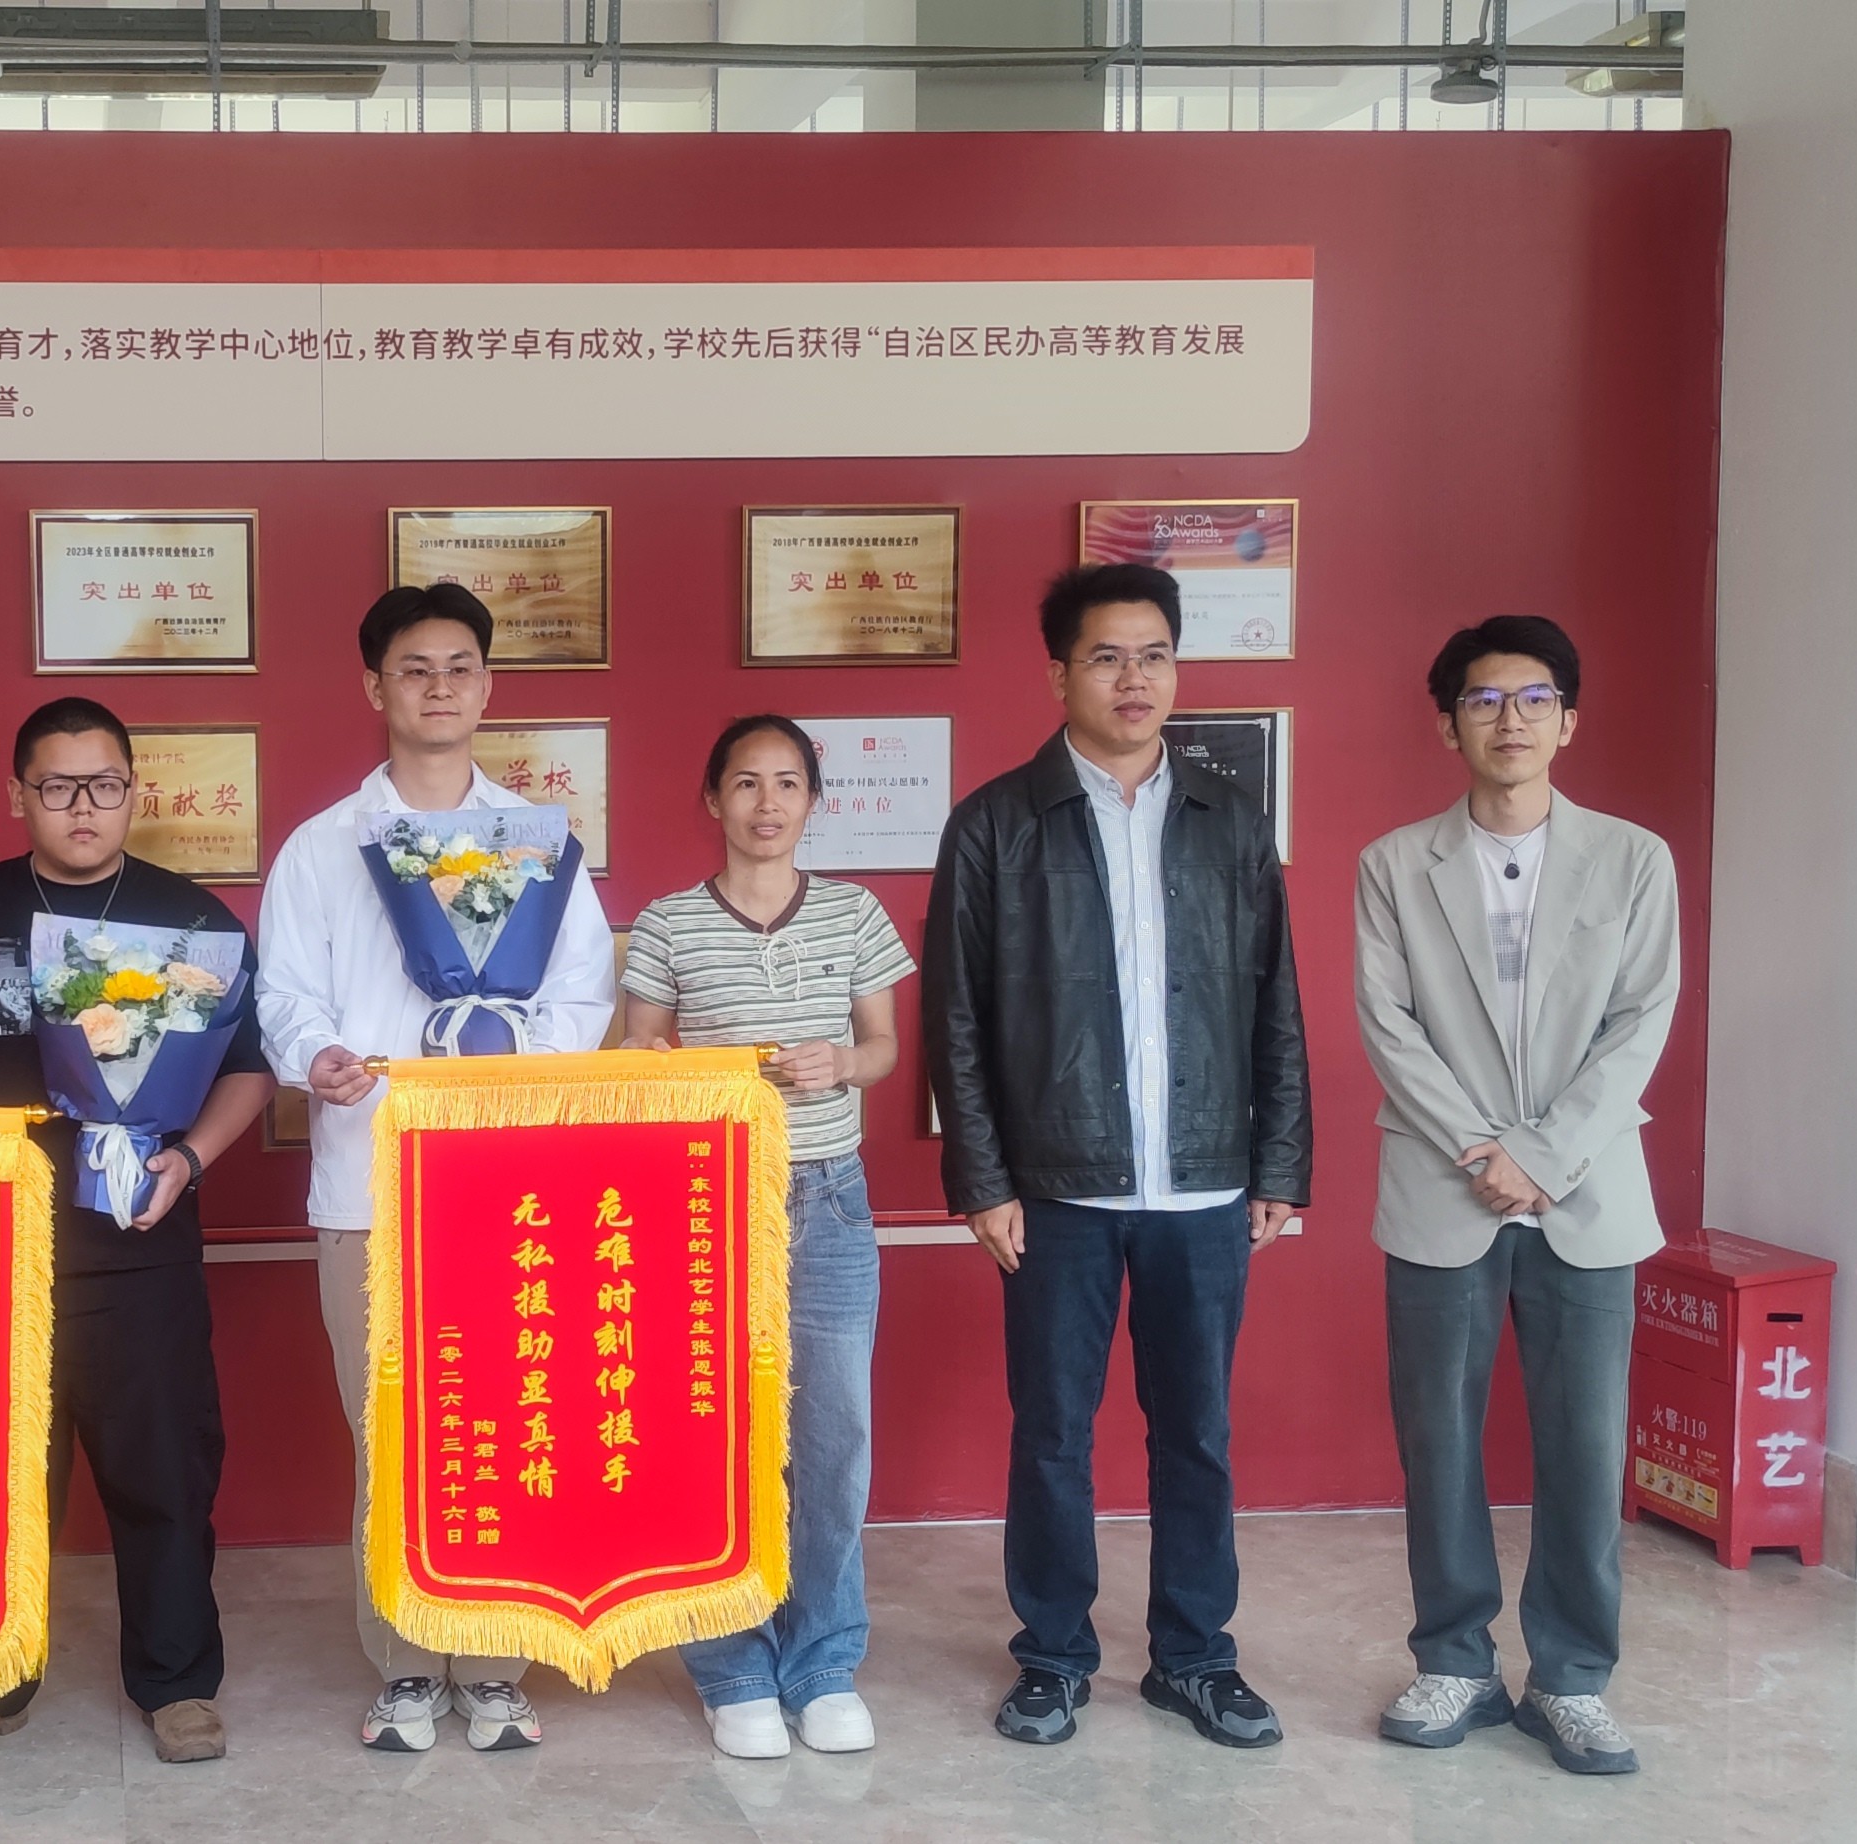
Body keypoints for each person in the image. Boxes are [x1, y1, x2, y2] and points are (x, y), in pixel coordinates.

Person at [925, 563, 1309, 1754]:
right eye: (1105, 655)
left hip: (1203, 1180)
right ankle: (1051, 1655)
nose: (1132, 677)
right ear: (1058, 673)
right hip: (1057, 1185)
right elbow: (955, 1018)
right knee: (1051, 1430)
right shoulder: (995, 822)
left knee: (1196, 1430)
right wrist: (982, 1179)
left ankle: (1194, 1655)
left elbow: (1274, 1001)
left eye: (1153, 653)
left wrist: (1279, 1161)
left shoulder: (1229, 820)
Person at [0, 698, 275, 1769]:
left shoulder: (194, 922)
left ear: (134, 792)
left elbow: (248, 1070)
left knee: (165, 1468)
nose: (83, 806)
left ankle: (177, 1682)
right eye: (58, 785)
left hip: (140, 1241)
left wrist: (191, 1158)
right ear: (18, 795)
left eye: (105, 785)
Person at [257, 583, 615, 1755]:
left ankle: (497, 1663)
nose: (440, 687)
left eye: (460, 665)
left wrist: (510, 1062)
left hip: (508, 1185)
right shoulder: (323, 845)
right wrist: (316, 1055)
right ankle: (407, 1661)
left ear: (488, 685)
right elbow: (284, 991)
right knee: (391, 1430)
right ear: (375, 686)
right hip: (368, 1181)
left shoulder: (542, 843)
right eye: (415, 667)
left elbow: (584, 992)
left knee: (506, 1418)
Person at [1353, 618, 1679, 1777]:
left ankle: (1573, 1676)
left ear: (1568, 721)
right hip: (1441, 1185)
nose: (1509, 719)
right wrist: (1480, 1148)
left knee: (1584, 1446)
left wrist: (1541, 1153)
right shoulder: (1394, 863)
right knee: (1437, 1436)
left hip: (1587, 1190)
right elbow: (1386, 1022)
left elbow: (1640, 1018)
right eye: (1483, 700)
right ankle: (1454, 1657)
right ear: (1448, 724)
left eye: (1533, 698)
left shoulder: (1633, 858)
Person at [617, 716, 913, 1761]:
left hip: (828, 1198)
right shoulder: (666, 923)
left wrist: (845, 1061)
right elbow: (634, 1050)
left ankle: (824, 1662)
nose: (767, 802)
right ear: (713, 799)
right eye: (746, 782)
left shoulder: (853, 910)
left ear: (812, 801)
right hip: (703, 1205)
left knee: (833, 1441)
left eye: (788, 783)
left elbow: (883, 1045)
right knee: (711, 1438)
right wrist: (666, 1065)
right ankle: (732, 1666)